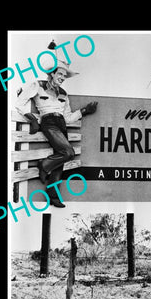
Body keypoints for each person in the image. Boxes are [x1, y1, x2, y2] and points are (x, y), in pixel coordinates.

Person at [15, 60, 98, 208]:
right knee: (68, 152)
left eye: (64, 76)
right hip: (49, 122)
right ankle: (44, 165)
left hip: (61, 124)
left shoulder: (64, 94)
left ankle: (53, 197)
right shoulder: (38, 86)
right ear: (51, 74)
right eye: (60, 74)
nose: (62, 78)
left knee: (59, 163)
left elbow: (67, 118)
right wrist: (32, 118)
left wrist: (84, 111)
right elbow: (20, 102)